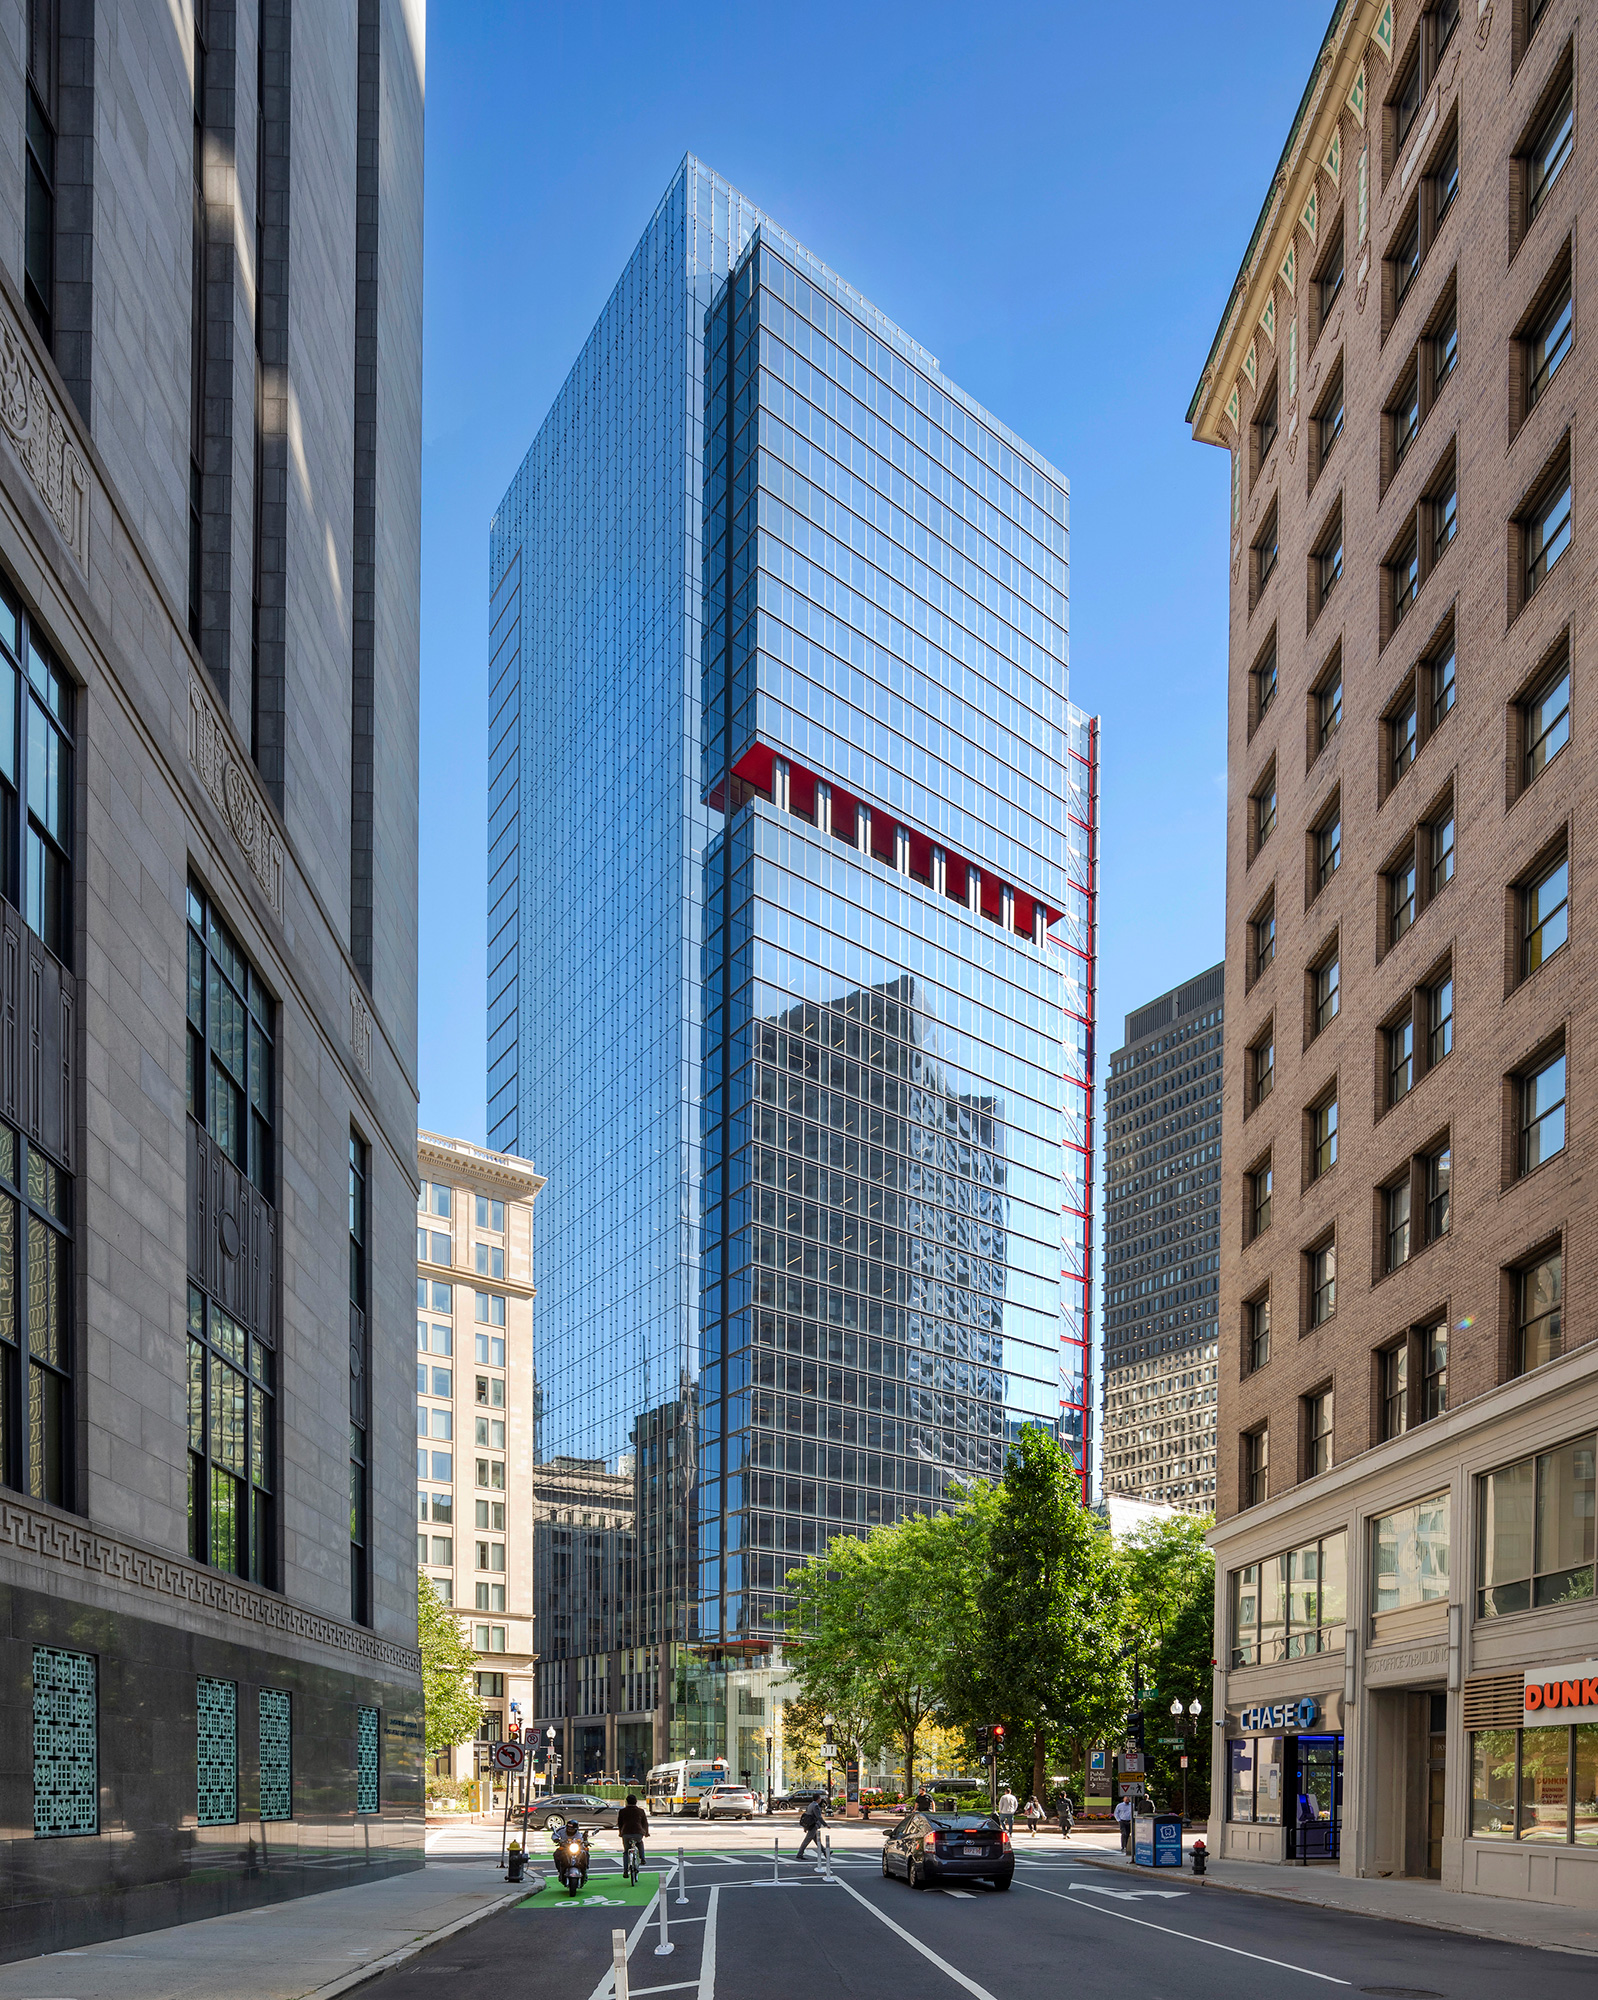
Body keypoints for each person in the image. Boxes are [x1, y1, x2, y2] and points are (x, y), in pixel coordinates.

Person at [617, 1793, 650, 1872]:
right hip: (638, 1833)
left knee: (626, 1851)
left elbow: (620, 1823)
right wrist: (646, 1832)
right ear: (636, 1801)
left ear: (627, 1802)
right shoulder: (640, 1811)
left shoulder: (622, 1811)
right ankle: (642, 1858)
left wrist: (620, 1832)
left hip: (626, 1833)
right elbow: (645, 1823)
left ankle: (625, 1871)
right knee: (640, 1843)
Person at [795, 1795, 828, 1865]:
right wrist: (825, 1824)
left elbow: (807, 1815)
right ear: (818, 1799)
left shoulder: (810, 1805)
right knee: (807, 1840)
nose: (821, 1799)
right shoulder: (815, 1806)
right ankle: (799, 1854)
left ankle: (825, 1852)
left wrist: (805, 1827)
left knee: (817, 1840)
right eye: (820, 1798)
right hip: (813, 1825)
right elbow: (818, 1817)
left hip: (810, 1824)